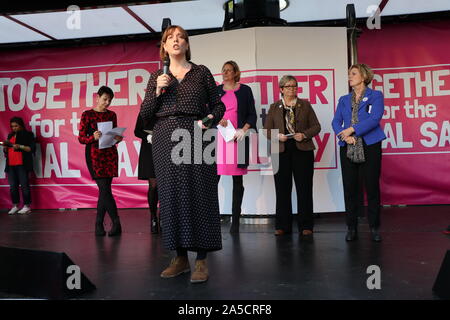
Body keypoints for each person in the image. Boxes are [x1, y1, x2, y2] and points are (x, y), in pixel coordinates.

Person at [140, 25, 225, 283]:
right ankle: (178, 258)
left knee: (201, 192)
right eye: (170, 38)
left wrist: (208, 121)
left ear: (187, 44)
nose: (176, 41)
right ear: (164, 47)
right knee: (170, 194)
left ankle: (201, 260)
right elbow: (145, 115)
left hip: (197, 132)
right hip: (165, 134)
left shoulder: (201, 73)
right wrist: (156, 92)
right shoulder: (157, 77)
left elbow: (218, 104)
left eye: (181, 38)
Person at [332, 63, 386, 242]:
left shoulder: (375, 96)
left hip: (370, 145)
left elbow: (374, 119)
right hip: (347, 145)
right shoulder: (343, 99)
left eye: (353, 73)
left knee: (371, 187)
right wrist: (345, 136)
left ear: (363, 76)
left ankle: (374, 227)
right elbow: (336, 122)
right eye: (349, 74)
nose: (349, 76)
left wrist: (352, 130)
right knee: (350, 189)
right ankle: (351, 227)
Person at [264, 75, 321, 236]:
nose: (292, 89)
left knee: (304, 189)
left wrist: (304, 134)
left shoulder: (305, 105)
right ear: (281, 89)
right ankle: (282, 225)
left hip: (302, 149)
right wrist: (277, 136)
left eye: (295, 86)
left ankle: (306, 226)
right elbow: (266, 130)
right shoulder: (274, 107)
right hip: (280, 150)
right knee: (282, 189)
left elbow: (316, 126)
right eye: (288, 86)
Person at [216, 60, 257, 233]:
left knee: (237, 181)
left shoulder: (245, 90)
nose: (225, 73)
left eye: (228, 71)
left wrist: (244, 129)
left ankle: (236, 222)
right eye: (223, 70)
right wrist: (218, 118)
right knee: (213, 180)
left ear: (235, 73)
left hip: (237, 139)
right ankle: (211, 219)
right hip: (218, 139)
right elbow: (209, 112)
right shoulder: (216, 91)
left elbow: (251, 115)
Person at [78, 86, 124, 237]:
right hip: (94, 155)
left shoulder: (112, 114)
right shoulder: (87, 114)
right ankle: (116, 223)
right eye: (105, 99)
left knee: (105, 191)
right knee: (104, 189)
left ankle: (98, 224)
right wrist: (93, 137)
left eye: (110, 100)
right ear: (97, 97)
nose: (107, 102)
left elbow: (113, 136)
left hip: (109, 154)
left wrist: (118, 138)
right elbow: (81, 138)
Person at [2, 117, 36, 215]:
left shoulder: (28, 135)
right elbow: (7, 151)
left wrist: (19, 146)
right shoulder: (10, 135)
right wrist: (5, 148)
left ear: (21, 125)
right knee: (13, 187)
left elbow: (31, 149)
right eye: (12, 126)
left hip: (22, 164)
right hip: (11, 165)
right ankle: (15, 205)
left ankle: (26, 206)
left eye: (16, 126)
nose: (14, 128)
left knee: (24, 186)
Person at [134, 113, 160, 234]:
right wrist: (149, 136)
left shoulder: (168, 108)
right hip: (149, 149)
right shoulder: (145, 111)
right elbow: (137, 131)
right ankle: (153, 217)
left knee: (165, 187)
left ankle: (164, 217)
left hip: (166, 149)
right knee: (153, 186)